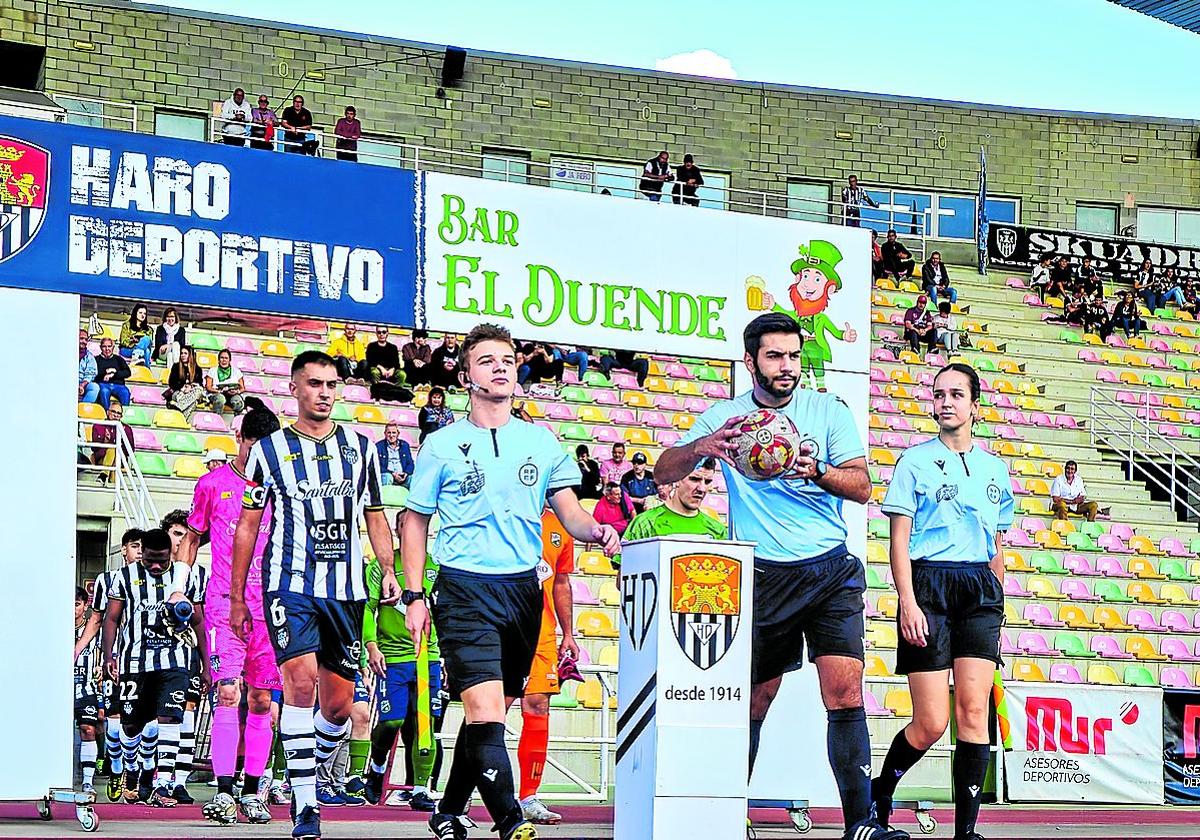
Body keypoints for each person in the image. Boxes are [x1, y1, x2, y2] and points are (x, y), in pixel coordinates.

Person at [654, 313, 902, 840]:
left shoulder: (827, 411)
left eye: (792, 355)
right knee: (754, 698)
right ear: (751, 362)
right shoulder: (726, 416)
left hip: (830, 569)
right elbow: (662, 472)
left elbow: (862, 487)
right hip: (762, 573)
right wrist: (703, 447)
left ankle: (862, 825)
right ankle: (724, 816)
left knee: (845, 692)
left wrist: (816, 470)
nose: (787, 366)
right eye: (774, 357)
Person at [402, 321, 619, 840]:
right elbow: (415, 521)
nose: (500, 367)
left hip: (523, 592)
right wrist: (413, 594)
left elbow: (570, 512)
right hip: (463, 589)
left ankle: (449, 810)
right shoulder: (442, 445)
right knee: (485, 710)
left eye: (506, 359)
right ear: (465, 375)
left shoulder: (540, 443)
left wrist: (598, 531)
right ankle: (510, 821)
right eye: (486, 360)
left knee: (488, 716)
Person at [232, 349, 398, 840]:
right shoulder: (267, 451)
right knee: (300, 686)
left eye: (331, 384)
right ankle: (306, 807)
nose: (325, 392)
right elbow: (247, 525)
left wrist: (387, 568)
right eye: (315, 383)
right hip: (289, 584)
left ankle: (300, 772)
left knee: (339, 707)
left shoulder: (362, 447)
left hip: (346, 591)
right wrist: (239, 596)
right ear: (295, 388)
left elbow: (374, 514)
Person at [873, 362, 1013, 840]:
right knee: (931, 722)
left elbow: (997, 541)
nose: (945, 401)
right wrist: (907, 602)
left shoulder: (996, 468)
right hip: (928, 586)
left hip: (979, 590)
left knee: (974, 712)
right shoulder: (912, 462)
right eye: (938, 394)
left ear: (975, 405)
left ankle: (966, 831)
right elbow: (898, 542)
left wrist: (998, 597)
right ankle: (883, 790)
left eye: (956, 394)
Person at [188, 405, 281, 826]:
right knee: (228, 692)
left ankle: (252, 791)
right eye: (252, 444)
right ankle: (224, 792)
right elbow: (192, 538)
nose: (258, 453)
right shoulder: (213, 484)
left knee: (262, 699)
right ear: (240, 439)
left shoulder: (282, 491)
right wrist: (182, 583)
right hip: (225, 603)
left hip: (272, 608)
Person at [101, 528, 209, 808]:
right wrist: (108, 655)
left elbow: (198, 621)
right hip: (134, 660)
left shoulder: (187, 576)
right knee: (131, 724)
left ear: (171, 553)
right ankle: (137, 768)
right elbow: (112, 618)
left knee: (171, 718)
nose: (157, 566)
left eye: (162, 560)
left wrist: (206, 665)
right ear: (142, 553)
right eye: (150, 560)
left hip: (175, 661)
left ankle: (163, 785)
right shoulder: (123, 577)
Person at [359, 501, 443, 811]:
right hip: (391, 658)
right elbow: (367, 609)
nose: (410, 530)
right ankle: (377, 768)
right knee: (392, 719)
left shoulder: (436, 568)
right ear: (396, 529)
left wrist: (444, 656)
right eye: (404, 525)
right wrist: (371, 645)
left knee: (425, 724)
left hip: (427, 657)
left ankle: (420, 789)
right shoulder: (380, 568)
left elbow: (443, 614)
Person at [515, 509, 580, 825]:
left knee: (538, 705)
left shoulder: (559, 525)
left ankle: (528, 797)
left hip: (541, 633)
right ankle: (472, 791)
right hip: (501, 626)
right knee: (488, 709)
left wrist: (568, 633)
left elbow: (562, 582)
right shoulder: (506, 507)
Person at [75, 528, 142, 802]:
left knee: (142, 724)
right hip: (117, 661)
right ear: (123, 549)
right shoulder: (108, 580)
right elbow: (97, 619)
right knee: (113, 724)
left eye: (143, 547)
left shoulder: (162, 579)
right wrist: (78, 651)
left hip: (146, 662)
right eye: (135, 546)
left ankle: (133, 772)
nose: (140, 551)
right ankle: (117, 769)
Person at [161, 509, 206, 805]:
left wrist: (206, 662)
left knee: (186, 714)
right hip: (152, 654)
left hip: (185, 654)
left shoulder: (199, 575)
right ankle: (151, 777)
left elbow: (201, 621)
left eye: (186, 535)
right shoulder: (151, 572)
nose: (181, 541)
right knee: (155, 719)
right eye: (177, 533)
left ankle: (177, 782)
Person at [621, 457, 725, 550]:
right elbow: (626, 568)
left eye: (707, 481)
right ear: (676, 479)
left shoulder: (717, 530)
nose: (702, 488)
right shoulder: (644, 524)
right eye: (694, 479)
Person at [75, 586, 103, 797]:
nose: (72, 610)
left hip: (86, 688)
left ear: (85, 607)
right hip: (58, 690)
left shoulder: (94, 631)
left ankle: (87, 782)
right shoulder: (53, 628)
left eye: (76, 605)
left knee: (89, 729)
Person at [91, 400, 134, 482]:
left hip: (119, 460)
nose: (116, 415)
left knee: (116, 453)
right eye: (113, 411)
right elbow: (94, 448)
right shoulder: (98, 425)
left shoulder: (126, 429)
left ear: (121, 416)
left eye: (119, 413)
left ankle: (104, 475)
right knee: (113, 449)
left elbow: (130, 451)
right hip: (101, 459)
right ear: (108, 412)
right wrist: (105, 441)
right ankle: (113, 485)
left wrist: (122, 439)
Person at [165, 345, 207, 421]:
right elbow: (171, 383)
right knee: (193, 401)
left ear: (190, 355)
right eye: (181, 353)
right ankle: (181, 420)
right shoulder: (176, 366)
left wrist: (190, 387)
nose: (183, 355)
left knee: (199, 391)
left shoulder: (197, 369)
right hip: (178, 392)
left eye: (185, 353)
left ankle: (179, 414)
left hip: (191, 393)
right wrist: (183, 387)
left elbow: (200, 384)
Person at [206, 349, 247, 416]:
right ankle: (217, 419)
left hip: (232, 394)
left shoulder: (236, 371)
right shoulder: (212, 370)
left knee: (238, 402)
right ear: (218, 360)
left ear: (229, 360)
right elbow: (208, 387)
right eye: (222, 358)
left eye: (226, 358)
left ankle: (236, 421)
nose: (224, 360)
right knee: (220, 400)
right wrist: (219, 391)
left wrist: (237, 392)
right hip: (217, 394)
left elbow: (242, 388)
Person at [95, 337, 132, 408]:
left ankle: (124, 415)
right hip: (103, 384)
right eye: (104, 346)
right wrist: (106, 372)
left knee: (125, 392)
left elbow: (127, 372)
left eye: (109, 346)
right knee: (104, 392)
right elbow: (94, 373)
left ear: (113, 347)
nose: (107, 349)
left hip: (119, 385)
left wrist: (113, 374)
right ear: (100, 348)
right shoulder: (96, 359)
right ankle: (106, 414)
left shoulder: (119, 359)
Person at [376, 421, 415, 487]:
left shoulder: (405, 445)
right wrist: (392, 474)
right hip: (388, 475)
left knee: (412, 479)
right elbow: (377, 465)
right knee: (387, 477)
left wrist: (406, 473)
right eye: (389, 433)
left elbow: (410, 463)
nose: (391, 435)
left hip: (402, 476)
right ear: (385, 434)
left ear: (398, 434)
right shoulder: (379, 446)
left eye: (394, 433)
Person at [79, 329, 100, 404]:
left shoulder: (90, 357)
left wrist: (82, 385)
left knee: (94, 387)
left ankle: (83, 409)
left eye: (86, 339)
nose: (84, 341)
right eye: (81, 338)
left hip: (83, 382)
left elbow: (90, 374)